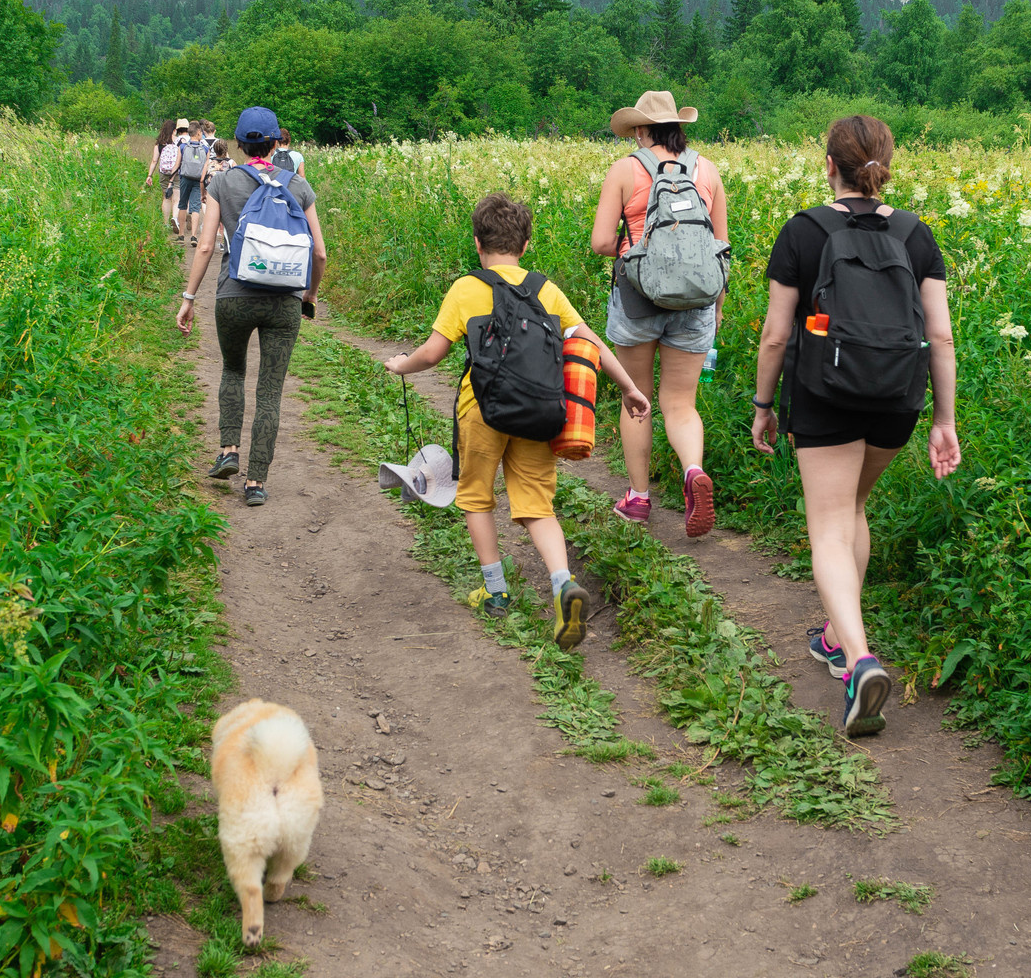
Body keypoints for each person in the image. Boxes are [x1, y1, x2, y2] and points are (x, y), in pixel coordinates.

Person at [748, 115, 959, 736]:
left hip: (825, 393)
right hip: (897, 396)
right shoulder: (916, 235)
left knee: (831, 525)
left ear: (830, 165)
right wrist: (943, 419)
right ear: (886, 163)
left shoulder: (804, 231)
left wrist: (763, 406)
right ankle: (837, 636)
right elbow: (940, 334)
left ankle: (860, 658)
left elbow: (776, 334)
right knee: (854, 506)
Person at [384, 192, 651, 649]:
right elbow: (590, 343)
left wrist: (400, 364)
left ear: (477, 242)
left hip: (482, 411)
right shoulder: (546, 290)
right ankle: (563, 584)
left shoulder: (467, 288)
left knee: (475, 497)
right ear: (526, 244)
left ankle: (496, 591)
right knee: (536, 506)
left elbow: (433, 352)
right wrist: (629, 387)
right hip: (538, 411)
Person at [590, 88, 731, 538]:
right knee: (681, 404)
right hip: (696, 302)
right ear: (678, 127)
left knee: (639, 402)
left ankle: (637, 499)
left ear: (640, 128)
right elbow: (719, 250)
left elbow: (600, 244)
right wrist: (717, 311)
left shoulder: (625, 170)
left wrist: (640, 253)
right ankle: (692, 471)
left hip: (638, 299)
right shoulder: (706, 170)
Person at [176, 106, 326, 509]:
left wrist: (189, 299)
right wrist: (308, 297)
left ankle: (228, 451)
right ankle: (256, 482)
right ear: (278, 141)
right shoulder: (299, 186)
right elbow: (321, 254)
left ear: (240, 145)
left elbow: (206, 245)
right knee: (271, 391)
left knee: (233, 370)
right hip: (284, 304)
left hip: (233, 297)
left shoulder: (223, 183)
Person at [171, 121, 211, 247]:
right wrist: (203, 181)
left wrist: (171, 180)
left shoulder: (182, 147)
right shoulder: (205, 149)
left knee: (182, 205)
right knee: (195, 207)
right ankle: (194, 236)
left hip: (185, 178)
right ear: (198, 133)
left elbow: (177, 164)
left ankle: (181, 235)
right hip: (198, 180)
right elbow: (207, 166)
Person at [154, 119, 184, 233]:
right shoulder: (180, 142)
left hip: (163, 172)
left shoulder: (159, 143)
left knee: (166, 198)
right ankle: (174, 218)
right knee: (176, 199)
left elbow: (154, 160)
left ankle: (165, 223)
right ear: (174, 130)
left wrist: (149, 175)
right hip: (176, 172)